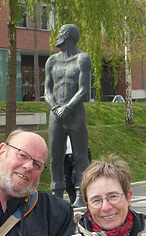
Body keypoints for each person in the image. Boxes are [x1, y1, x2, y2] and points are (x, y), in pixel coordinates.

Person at [44, 24, 91, 208]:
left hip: (76, 113)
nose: (57, 37)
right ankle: (56, 193)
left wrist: (68, 108)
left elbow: (84, 90)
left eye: (60, 33)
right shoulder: (52, 61)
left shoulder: (82, 58)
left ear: (68, 36)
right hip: (56, 114)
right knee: (55, 154)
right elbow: (47, 90)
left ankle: (81, 193)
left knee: (80, 156)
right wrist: (55, 107)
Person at [64, 136, 92, 205]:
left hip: (79, 155)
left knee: (76, 179)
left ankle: (81, 201)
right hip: (65, 157)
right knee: (67, 182)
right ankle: (73, 202)